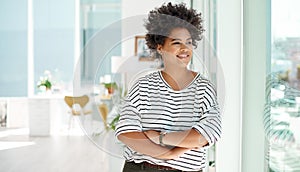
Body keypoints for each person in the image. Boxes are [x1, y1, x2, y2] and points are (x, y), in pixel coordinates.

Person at [115, 2, 221, 172]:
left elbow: (205, 136)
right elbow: (126, 133)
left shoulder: (204, 89)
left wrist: (160, 138)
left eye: (188, 42)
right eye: (176, 43)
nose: (185, 48)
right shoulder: (143, 86)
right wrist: (168, 155)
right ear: (160, 47)